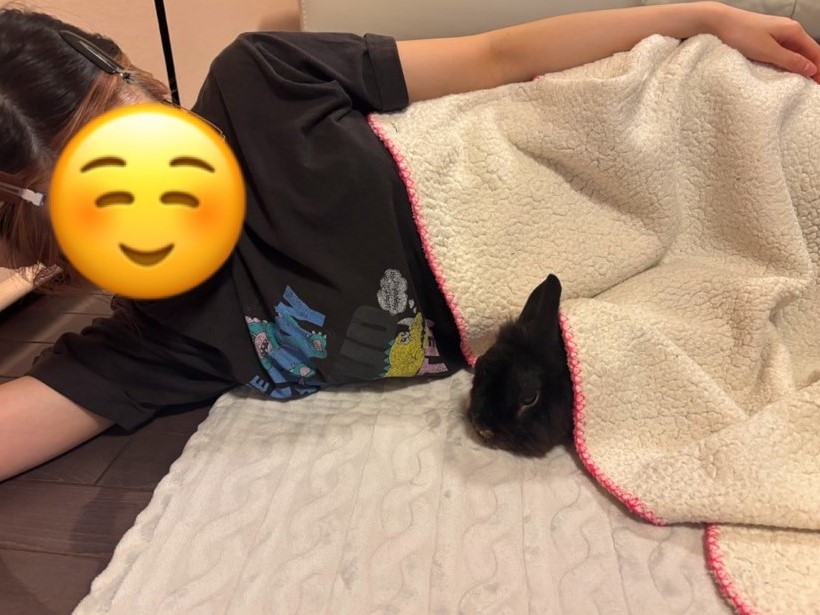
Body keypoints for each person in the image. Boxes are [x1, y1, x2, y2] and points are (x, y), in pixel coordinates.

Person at [1, 1, 819, 482]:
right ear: (49, 254)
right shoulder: (159, 341)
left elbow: (498, 58)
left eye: (126, 134)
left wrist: (701, 17)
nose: (148, 196)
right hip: (617, 279)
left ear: (135, 74)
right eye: (93, 207)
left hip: (612, 151)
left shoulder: (259, 79)